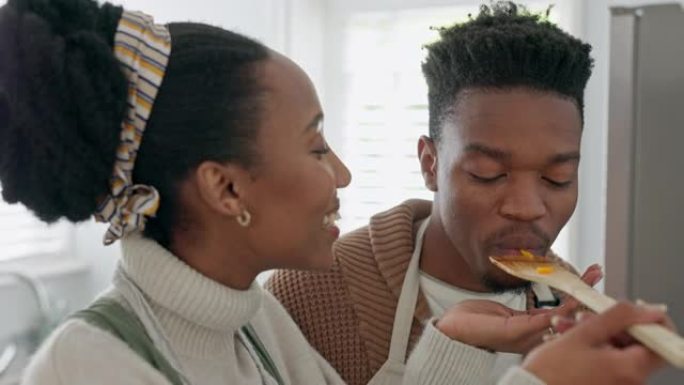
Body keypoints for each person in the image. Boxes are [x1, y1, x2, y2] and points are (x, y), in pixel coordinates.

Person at [0, 0, 669, 384]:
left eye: (557, 176)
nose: (342, 173)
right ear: (225, 186)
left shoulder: (256, 323)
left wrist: (455, 340)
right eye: (315, 145)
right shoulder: (86, 366)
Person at [266, 2, 611, 384]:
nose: (526, 208)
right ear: (430, 164)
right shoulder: (313, 291)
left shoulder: (573, 307)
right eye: (488, 174)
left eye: (557, 178)